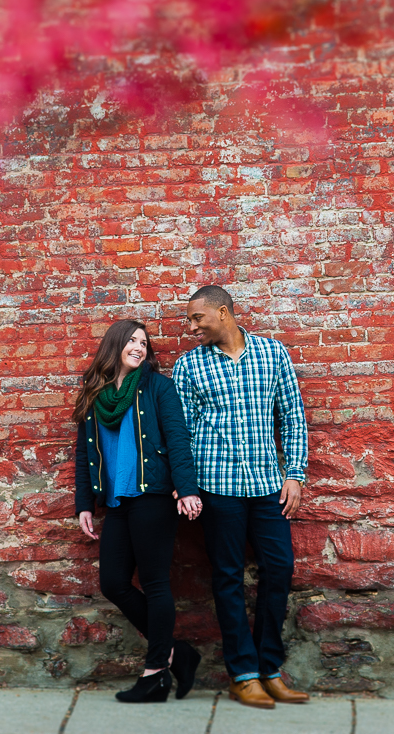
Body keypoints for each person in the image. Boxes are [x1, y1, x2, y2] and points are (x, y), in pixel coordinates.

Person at [172, 285, 310, 710]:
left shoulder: (273, 354)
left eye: (198, 318)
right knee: (228, 577)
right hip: (217, 489)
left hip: (270, 486)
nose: (192, 327)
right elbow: (181, 432)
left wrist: (296, 475)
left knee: (279, 570)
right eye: (190, 320)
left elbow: (292, 416)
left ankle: (270, 668)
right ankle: (244, 674)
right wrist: (187, 485)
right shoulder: (189, 366)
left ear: (224, 313)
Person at [73, 318, 204, 703]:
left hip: (153, 498)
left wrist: (186, 488)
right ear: (114, 346)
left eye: (143, 342)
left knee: (156, 583)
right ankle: (178, 655)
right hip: (116, 503)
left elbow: (178, 437)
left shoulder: (158, 387)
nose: (138, 346)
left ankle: (155, 673)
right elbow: (84, 454)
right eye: (131, 340)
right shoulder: (95, 393)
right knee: (112, 583)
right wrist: (84, 504)